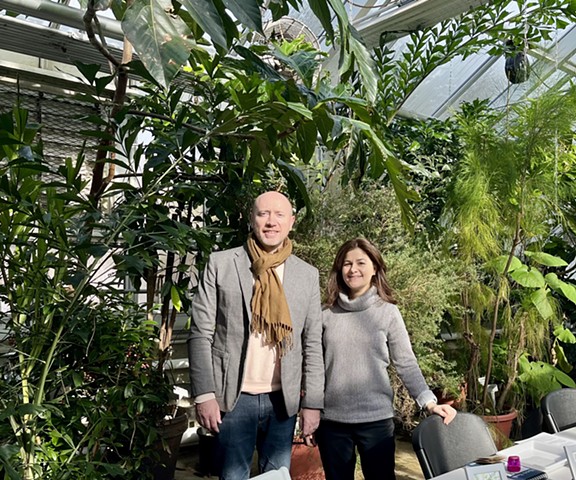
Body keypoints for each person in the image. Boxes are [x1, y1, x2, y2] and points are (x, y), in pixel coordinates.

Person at [187, 191, 324, 480]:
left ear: (291, 222)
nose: (271, 222)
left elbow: (311, 343)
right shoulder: (221, 263)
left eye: (279, 215)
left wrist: (312, 402)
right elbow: (200, 333)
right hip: (232, 399)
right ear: (252, 219)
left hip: (282, 402)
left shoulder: (306, 275)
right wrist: (204, 394)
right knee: (232, 476)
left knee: (276, 477)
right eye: (263, 214)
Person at [315, 237, 457, 480]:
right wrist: (309, 409)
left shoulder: (388, 312)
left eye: (361, 262)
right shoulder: (326, 314)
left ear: (374, 269)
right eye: (347, 264)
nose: (353, 269)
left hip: (376, 422)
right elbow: (315, 366)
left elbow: (406, 363)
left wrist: (429, 402)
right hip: (332, 423)